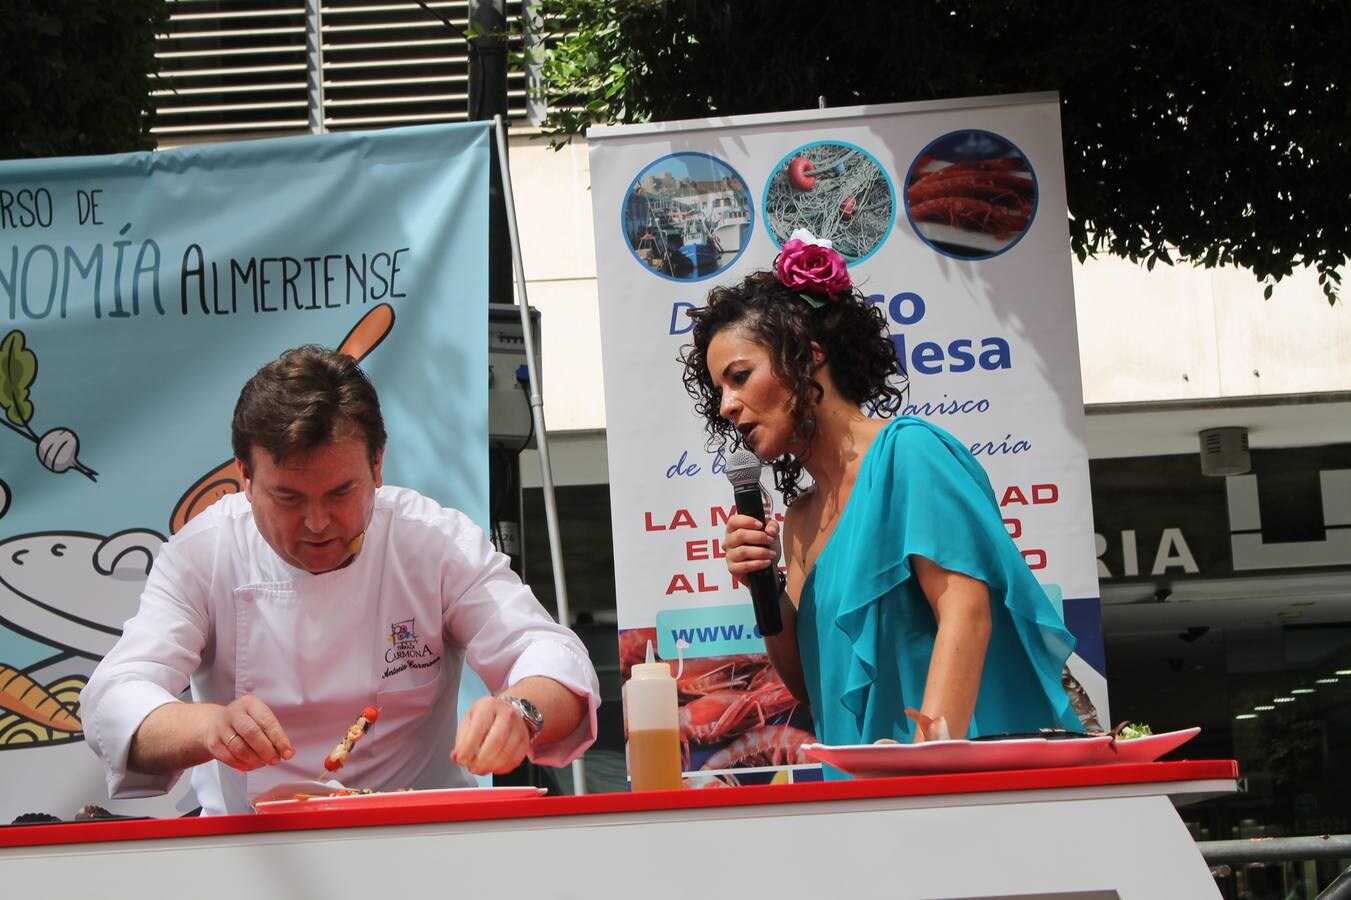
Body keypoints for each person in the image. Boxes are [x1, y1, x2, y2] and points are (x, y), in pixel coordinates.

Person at [83, 346, 599, 814]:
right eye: (288, 498)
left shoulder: (430, 541)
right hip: (252, 853)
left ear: (377, 465)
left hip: (423, 838)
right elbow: (116, 697)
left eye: (340, 493)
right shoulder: (204, 553)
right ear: (244, 477)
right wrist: (209, 727)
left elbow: (545, 650)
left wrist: (520, 710)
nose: (316, 524)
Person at [680, 230, 1079, 765]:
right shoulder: (798, 521)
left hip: (940, 786)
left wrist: (923, 767)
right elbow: (806, 687)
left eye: (740, 377)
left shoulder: (910, 453)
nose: (728, 405)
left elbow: (967, 613)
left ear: (810, 355)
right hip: (860, 801)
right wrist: (766, 585)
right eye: (719, 391)